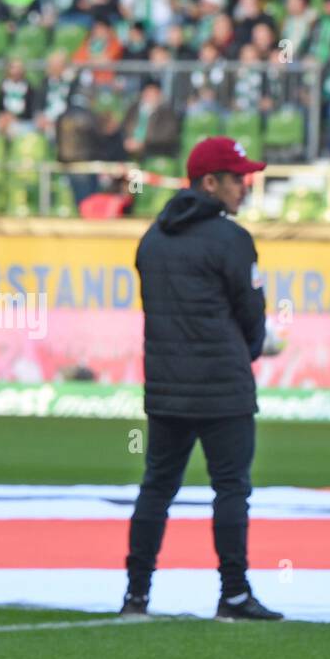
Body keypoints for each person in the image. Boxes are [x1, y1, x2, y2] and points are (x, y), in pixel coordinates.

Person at [121, 137, 283, 623]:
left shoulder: (153, 237)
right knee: (231, 489)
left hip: (166, 386)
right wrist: (248, 352)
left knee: (156, 488)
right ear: (210, 182)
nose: (244, 187)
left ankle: (136, 596)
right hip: (224, 387)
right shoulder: (232, 240)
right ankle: (233, 595)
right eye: (237, 179)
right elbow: (251, 313)